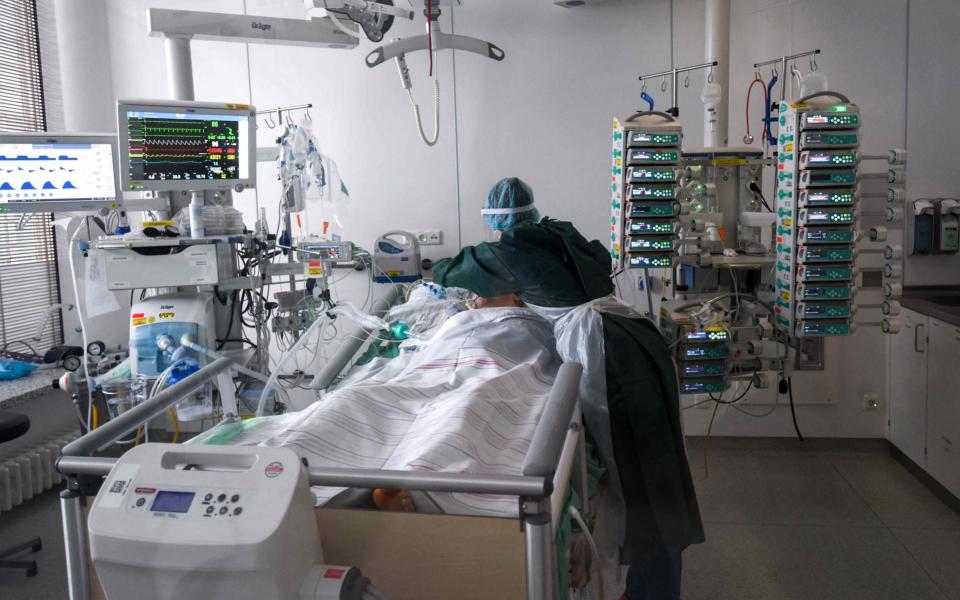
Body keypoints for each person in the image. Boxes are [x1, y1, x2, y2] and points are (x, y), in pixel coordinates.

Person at [432, 217, 704, 600]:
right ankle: (655, 584)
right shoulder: (554, 238)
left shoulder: (518, 253)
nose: (475, 302)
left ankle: (645, 588)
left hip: (606, 348)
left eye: (478, 295)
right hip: (630, 334)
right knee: (656, 473)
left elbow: (457, 267)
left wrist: (436, 273)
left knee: (632, 476)